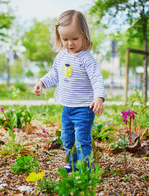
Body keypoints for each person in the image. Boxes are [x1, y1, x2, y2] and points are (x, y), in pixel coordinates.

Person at [33, 10, 105, 172]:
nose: (70, 43)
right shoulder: (61, 56)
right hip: (67, 107)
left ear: (84, 36)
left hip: (84, 108)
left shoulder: (86, 58)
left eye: (75, 38)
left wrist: (99, 97)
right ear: (59, 37)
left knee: (82, 140)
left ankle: (84, 168)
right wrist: (42, 81)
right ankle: (72, 163)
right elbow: (55, 74)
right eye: (65, 39)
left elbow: (96, 78)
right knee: (67, 138)